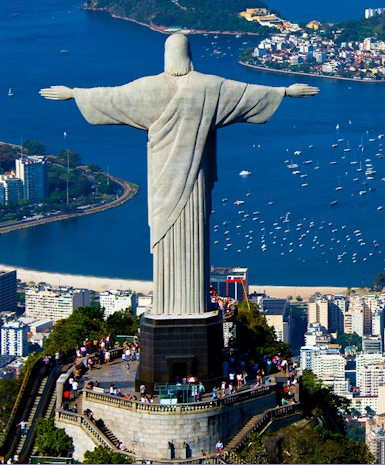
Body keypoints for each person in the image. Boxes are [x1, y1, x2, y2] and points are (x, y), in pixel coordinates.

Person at [40, 34, 318, 316]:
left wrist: (75, 93)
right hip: (194, 178)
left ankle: (168, 308)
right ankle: (190, 308)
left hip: (161, 178)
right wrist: (283, 91)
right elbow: (248, 94)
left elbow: (110, 97)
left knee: (166, 235)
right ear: (189, 56)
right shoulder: (208, 87)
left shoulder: (146, 89)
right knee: (192, 235)